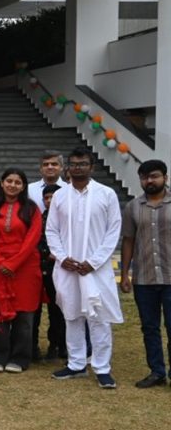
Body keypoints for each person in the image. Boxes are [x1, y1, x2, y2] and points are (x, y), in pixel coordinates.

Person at [45, 147, 123, 389]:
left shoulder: (106, 194)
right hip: (67, 267)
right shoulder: (59, 196)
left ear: (92, 167)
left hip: (96, 269)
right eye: (74, 164)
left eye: (83, 163)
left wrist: (94, 261)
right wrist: (62, 257)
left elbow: (113, 231)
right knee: (72, 315)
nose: (78, 167)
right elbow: (51, 230)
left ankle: (102, 367)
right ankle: (76, 363)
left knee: (99, 317)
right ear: (68, 167)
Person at [0, 169, 43, 373]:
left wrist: (13, 263)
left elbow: (32, 238)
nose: (13, 185)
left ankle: (20, 357)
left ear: (23, 186)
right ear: (1, 182)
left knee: (24, 314)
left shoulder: (31, 209)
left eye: (18, 182)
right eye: (9, 181)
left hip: (24, 267)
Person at [119, 159, 171, 388]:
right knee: (149, 327)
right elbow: (128, 241)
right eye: (144, 177)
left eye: (154, 176)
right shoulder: (133, 206)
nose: (149, 181)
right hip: (144, 278)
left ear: (165, 178)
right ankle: (157, 371)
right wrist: (125, 274)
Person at [37, 184, 68, 362]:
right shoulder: (40, 217)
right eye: (46, 198)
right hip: (42, 268)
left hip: (61, 268)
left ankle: (60, 345)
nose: (50, 201)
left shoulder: (66, 218)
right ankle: (46, 346)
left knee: (59, 309)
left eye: (53, 197)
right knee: (40, 310)